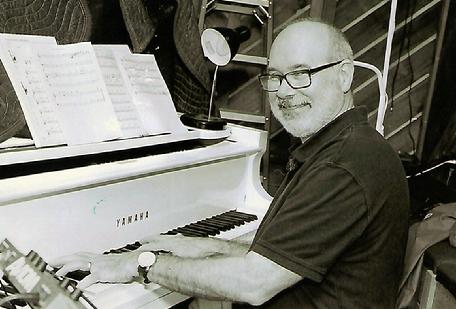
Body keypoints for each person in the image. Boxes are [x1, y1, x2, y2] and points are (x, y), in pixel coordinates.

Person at [52, 18, 410, 308]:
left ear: (345, 74)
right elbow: (289, 251)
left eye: (302, 74)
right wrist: (208, 245)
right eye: (275, 77)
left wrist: (138, 263)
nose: (285, 91)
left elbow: (254, 282)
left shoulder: (342, 166)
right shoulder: (346, 147)